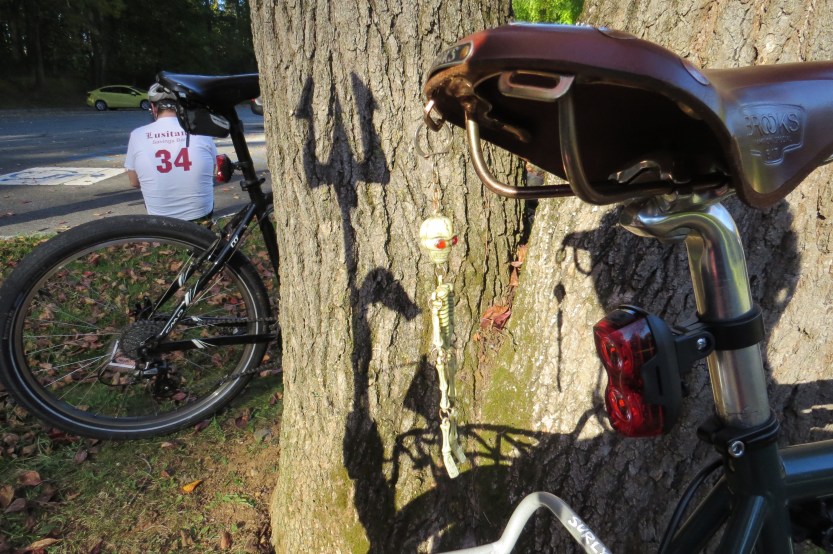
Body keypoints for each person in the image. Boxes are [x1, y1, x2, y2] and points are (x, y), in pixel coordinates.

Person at [125, 83, 217, 222]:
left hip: (162, 220)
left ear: (153, 108)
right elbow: (214, 169)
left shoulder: (137, 135)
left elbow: (134, 182)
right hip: (200, 214)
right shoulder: (200, 131)